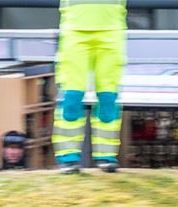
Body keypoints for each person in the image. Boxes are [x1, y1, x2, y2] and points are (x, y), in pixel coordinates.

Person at [53, 0, 127, 173]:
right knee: (71, 97)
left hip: (111, 30)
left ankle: (107, 156)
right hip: (75, 30)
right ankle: (68, 157)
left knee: (108, 98)